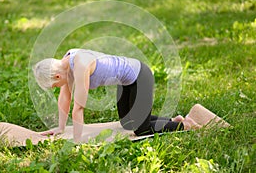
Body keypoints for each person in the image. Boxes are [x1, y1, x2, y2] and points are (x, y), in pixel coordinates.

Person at [33, 49, 200, 142]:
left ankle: (186, 125)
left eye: (55, 85)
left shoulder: (80, 65)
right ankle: (173, 120)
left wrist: (77, 141)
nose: (58, 87)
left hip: (139, 76)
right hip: (125, 81)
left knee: (140, 129)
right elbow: (65, 98)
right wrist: (60, 128)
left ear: (56, 76)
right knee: (127, 123)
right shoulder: (65, 65)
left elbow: (79, 107)